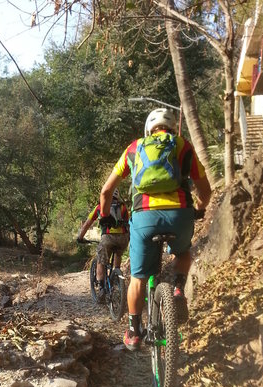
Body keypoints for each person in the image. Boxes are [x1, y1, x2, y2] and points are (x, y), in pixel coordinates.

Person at [99, 107, 212, 350]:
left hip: (144, 218)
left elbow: (106, 191)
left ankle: (134, 331)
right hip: (179, 215)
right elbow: (205, 189)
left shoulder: (134, 148)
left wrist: (106, 217)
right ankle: (178, 289)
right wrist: (200, 209)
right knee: (182, 253)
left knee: (138, 278)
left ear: (148, 130)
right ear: (171, 127)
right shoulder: (182, 145)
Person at [77, 189, 130, 302]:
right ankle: (116, 275)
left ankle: (101, 288)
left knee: (101, 261)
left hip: (108, 238)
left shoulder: (100, 207)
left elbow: (87, 224)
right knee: (118, 253)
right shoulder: (123, 207)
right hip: (123, 239)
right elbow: (128, 222)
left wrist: (80, 237)